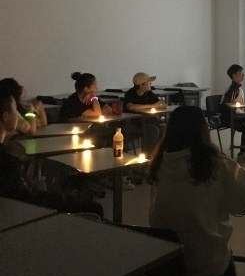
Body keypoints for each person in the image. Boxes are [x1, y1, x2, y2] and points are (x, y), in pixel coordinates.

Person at [148, 106, 245, 276]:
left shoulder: (159, 163)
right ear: (203, 130)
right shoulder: (215, 163)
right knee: (226, 261)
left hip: (166, 263)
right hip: (205, 263)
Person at [0, 88, 103, 217]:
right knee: (95, 208)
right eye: (14, 110)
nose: (17, 114)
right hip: (28, 212)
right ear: (5, 116)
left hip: (21, 206)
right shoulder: (8, 161)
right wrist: (58, 197)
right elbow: (27, 197)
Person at [122, 72, 164, 157]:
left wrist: (161, 105)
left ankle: (156, 154)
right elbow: (131, 107)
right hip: (134, 123)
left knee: (164, 128)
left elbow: (158, 102)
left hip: (148, 121)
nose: (150, 84)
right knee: (153, 130)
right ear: (141, 85)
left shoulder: (149, 93)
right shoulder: (130, 93)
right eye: (148, 82)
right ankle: (146, 156)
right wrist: (152, 106)